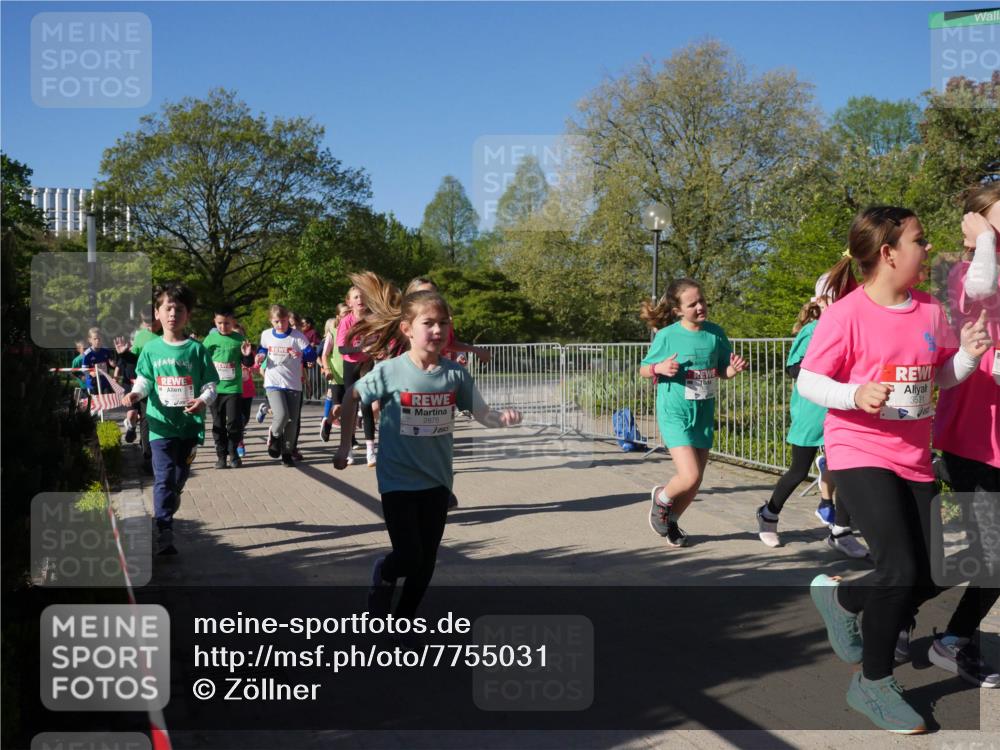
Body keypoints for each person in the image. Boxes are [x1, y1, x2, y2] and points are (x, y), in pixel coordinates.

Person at [799, 206, 991, 733]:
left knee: (940, 567)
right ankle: (874, 683)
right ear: (888, 253)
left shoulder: (929, 311)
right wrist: (854, 393)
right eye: (919, 240)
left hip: (912, 458)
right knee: (901, 570)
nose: (927, 249)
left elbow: (943, 376)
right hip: (858, 451)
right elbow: (809, 381)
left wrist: (969, 356)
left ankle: (842, 597)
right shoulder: (847, 315)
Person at [333, 276, 521, 623]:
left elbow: (482, 413)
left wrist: (501, 419)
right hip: (397, 479)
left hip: (437, 480)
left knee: (427, 559)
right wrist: (345, 446)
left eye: (444, 324)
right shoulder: (390, 371)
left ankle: (403, 620)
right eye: (429, 323)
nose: (438, 330)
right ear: (406, 328)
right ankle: (385, 574)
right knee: (408, 555)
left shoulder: (455, 375)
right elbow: (351, 396)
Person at [916, 183, 1000, 687]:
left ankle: (951, 639)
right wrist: (983, 240)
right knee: (974, 550)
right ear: (977, 224)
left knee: (985, 552)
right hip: (973, 433)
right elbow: (985, 289)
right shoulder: (966, 271)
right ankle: (870, 602)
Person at [756, 288, 869, 558]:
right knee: (797, 471)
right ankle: (769, 515)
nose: (841, 304)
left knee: (847, 473)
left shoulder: (855, 326)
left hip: (841, 409)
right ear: (819, 302)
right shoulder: (813, 330)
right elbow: (793, 368)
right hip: (812, 411)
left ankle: (841, 531)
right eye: (834, 298)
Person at [639, 278, 748, 547]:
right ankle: (661, 500)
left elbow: (721, 369)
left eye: (702, 301)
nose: (700, 307)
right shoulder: (667, 336)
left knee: (696, 481)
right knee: (688, 475)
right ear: (678, 310)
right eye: (692, 304)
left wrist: (731, 371)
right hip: (674, 412)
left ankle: (671, 521)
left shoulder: (715, 333)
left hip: (702, 413)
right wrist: (659, 369)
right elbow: (643, 368)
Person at [122, 283, 219, 555]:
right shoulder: (151, 349)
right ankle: (164, 529)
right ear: (158, 313)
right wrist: (134, 394)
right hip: (159, 425)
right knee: (163, 478)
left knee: (177, 477)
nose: (173, 313)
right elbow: (145, 380)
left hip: (189, 428)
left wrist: (202, 401)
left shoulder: (196, 350)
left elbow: (211, 385)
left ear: (187, 315)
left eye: (179, 309)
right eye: (168, 308)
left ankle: (172, 496)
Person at [257, 304, 316, 467]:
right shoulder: (266, 335)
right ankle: (275, 436)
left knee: (292, 421)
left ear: (288, 320)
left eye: (283, 321)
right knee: (282, 415)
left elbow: (312, 356)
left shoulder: (297, 336)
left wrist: (302, 354)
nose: (280, 325)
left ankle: (287, 453)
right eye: (276, 322)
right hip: (273, 381)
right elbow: (262, 348)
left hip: (293, 383)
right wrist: (260, 355)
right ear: (271, 321)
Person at [203, 304, 255, 469]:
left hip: (233, 388)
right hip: (215, 389)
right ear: (215, 321)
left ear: (233, 322)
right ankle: (221, 456)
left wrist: (247, 356)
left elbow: (247, 362)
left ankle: (234, 454)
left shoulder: (239, 339)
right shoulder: (210, 339)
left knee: (234, 423)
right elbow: (202, 361)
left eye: (226, 323)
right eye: (219, 323)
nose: (223, 326)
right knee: (218, 424)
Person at [338, 283, 377, 467]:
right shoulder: (346, 321)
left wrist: (378, 349)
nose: (360, 300)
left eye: (362, 296)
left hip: (367, 363)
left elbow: (381, 340)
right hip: (350, 365)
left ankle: (371, 451)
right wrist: (358, 348)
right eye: (355, 297)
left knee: (367, 404)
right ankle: (348, 449)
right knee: (350, 407)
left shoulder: (373, 319)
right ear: (349, 302)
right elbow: (341, 348)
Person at [320, 306, 349, 444]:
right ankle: (328, 422)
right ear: (338, 316)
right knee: (338, 408)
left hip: (352, 374)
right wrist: (326, 369)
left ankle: (351, 439)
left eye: (350, 312)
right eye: (345, 313)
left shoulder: (356, 331)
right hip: (336, 376)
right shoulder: (333, 331)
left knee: (351, 408)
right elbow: (324, 355)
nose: (348, 315)